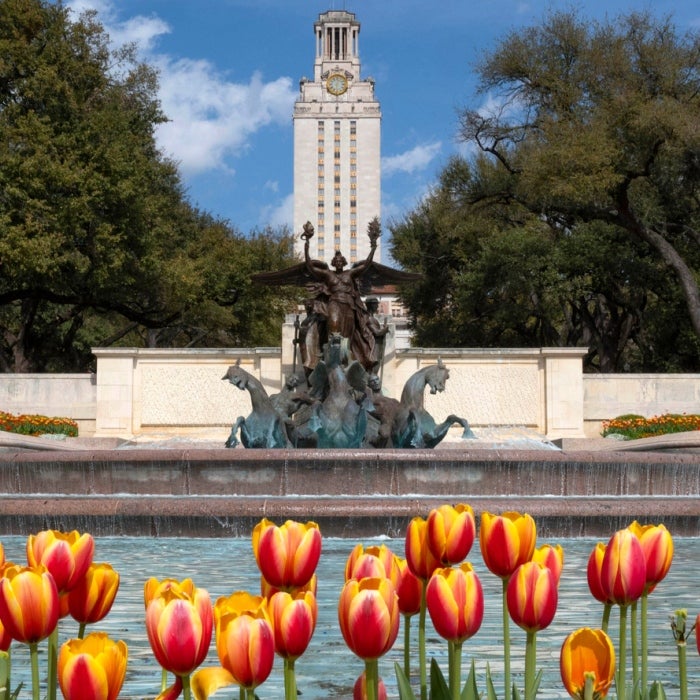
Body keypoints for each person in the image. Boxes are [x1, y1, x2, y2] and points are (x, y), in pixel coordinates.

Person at [301, 220, 380, 372]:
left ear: (343, 262)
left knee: (347, 339)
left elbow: (367, 265)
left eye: (340, 260)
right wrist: (307, 243)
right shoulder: (327, 274)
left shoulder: (350, 273)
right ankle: (330, 363)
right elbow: (309, 266)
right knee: (334, 333)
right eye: (335, 260)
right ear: (333, 262)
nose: (338, 262)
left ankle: (348, 366)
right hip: (334, 304)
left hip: (349, 306)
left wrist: (373, 246)